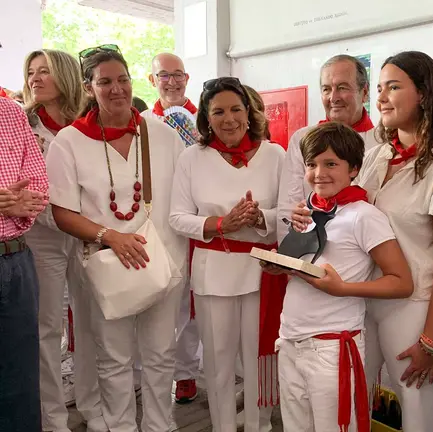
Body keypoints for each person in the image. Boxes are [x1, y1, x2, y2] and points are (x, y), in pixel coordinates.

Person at [294, 51, 433, 431]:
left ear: (423, 94)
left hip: (415, 305)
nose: (382, 97)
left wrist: (432, 341)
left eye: (393, 87)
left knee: (420, 413)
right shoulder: (377, 156)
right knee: (359, 406)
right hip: (365, 298)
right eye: (380, 88)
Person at [46, 45, 187, 432]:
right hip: (108, 264)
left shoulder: (161, 133)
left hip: (165, 261)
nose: (117, 89)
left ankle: (160, 424)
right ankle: (121, 425)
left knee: (160, 354)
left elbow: (187, 194)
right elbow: (62, 213)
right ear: (89, 87)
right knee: (114, 357)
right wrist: (111, 237)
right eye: (105, 81)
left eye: (122, 79)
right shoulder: (69, 142)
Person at [265, 121, 412, 432]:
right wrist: (281, 265)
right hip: (290, 340)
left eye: (331, 163)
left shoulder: (363, 215)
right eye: (312, 164)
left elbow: (401, 281)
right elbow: (306, 262)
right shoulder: (307, 211)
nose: (320, 173)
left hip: (331, 347)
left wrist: (342, 288)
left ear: (354, 168)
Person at [169, 76, 284, 432]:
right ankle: (221, 426)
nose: (228, 118)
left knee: (258, 358)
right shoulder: (192, 157)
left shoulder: (275, 154)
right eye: (218, 111)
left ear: (249, 113)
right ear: (206, 117)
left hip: (262, 270)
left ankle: (258, 425)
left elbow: (293, 212)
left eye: (236, 109)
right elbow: (177, 217)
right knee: (217, 364)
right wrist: (221, 223)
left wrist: (261, 216)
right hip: (212, 272)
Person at [22, 48, 110, 432]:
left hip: (86, 234)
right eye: (30, 73)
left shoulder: (86, 125)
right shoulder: (22, 123)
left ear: (65, 76)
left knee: (90, 322)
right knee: (47, 329)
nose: (35, 79)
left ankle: (92, 406)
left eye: (44, 72)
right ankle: (53, 417)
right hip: (40, 236)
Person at [143, 51, 202, 404]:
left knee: (192, 303)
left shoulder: (207, 118)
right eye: (163, 75)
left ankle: (185, 372)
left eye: (178, 73)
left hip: (200, 222)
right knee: (159, 296)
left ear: (187, 78)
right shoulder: (143, 121)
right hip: (159, 222)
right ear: (152, 80)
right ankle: (149, 370)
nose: (172, 80)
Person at [277, 54, 377, 242]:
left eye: (342, 88)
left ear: (364, 92)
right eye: (326, 89)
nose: (333, 97)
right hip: (311, 256)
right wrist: (287, 260)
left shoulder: (383, 142)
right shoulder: (302, 139)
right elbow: (288, 206)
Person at [0, 95, 49, 432]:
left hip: (15, 258)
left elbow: (39, 188)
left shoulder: (10, 112)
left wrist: (17, 205)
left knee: (20, 380)